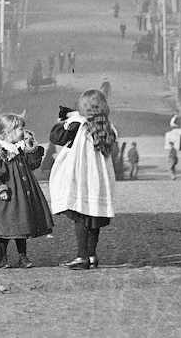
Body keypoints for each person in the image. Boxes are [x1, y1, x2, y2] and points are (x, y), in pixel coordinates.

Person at [49, 89, 117, 270]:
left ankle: (82, 256)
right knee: (94, 216)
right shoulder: (108, 128)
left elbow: (56, 137)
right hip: (99, 181)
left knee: (80, 216)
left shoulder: (78, 125)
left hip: (81, 178)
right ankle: (92, 255)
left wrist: (62, 120)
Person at [0, 114, 53, 268]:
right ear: (8, 131)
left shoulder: (20, 147)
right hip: (6, 191)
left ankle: (22, 256)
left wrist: (30, 146)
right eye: (20, 128)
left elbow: (33, 164)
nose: (23, 131)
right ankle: (3, 257)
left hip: (21, 191)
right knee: (3, 224)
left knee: (22, 221)